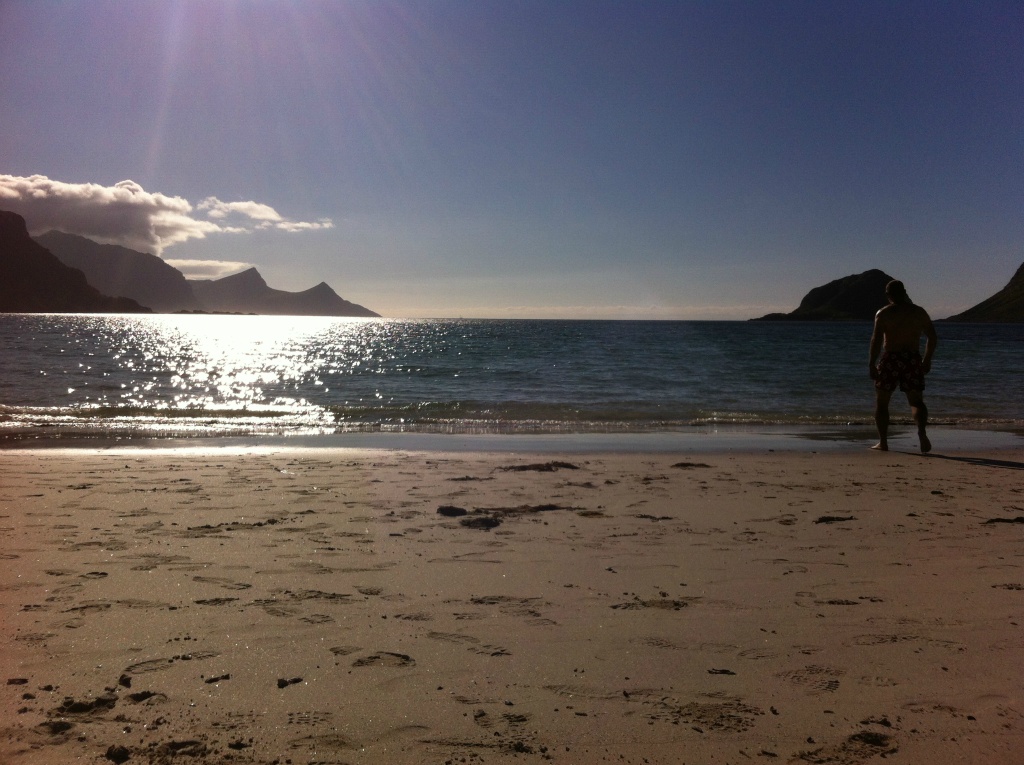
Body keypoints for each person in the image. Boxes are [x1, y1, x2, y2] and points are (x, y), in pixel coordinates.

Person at [868, 280, 937, 452]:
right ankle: (921, 433)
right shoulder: (918, 312)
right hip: (912, 358)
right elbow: (932, 337)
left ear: (888, 295)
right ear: (904, 292)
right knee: (916, 401)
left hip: (891, 358)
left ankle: (883, 442)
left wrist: (871, 363)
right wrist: (927, 359)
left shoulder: (883, 313)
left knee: (882, 402)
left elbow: (876, 341)